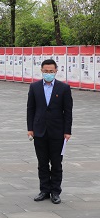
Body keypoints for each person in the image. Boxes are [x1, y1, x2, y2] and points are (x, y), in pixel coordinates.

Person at [27, 58, 73, 205]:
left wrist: (67, 131)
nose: (48, 73)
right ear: (41, 71)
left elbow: (68, 111)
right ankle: (44, 190)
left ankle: (55, 192)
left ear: (56, 71)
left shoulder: (64, 88)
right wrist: (30, 128)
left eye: (51, 71)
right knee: (42, 163)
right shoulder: (34, 87)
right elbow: (31, 109)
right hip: (39, 131)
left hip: (57, 132)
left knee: (56, 163)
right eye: (46, 71)